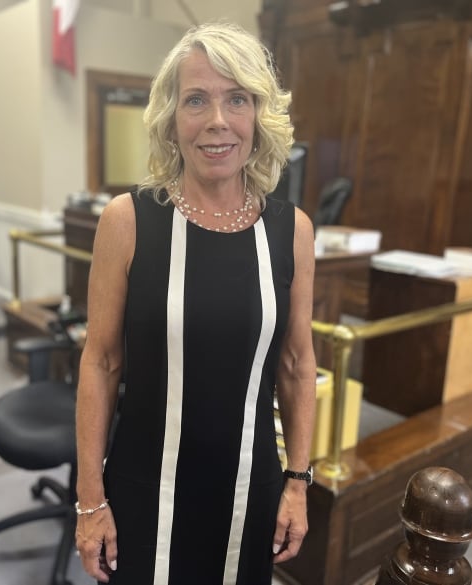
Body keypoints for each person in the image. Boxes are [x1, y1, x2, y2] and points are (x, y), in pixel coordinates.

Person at [74, 21, 317, 585]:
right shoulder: (128, 220)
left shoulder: (292, 231)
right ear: (171, 118)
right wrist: (90, 499)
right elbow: (101, 362)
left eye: (237, 99)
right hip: (143, 489)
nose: (217, 121)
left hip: (249, 492)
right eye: (196, 100)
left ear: (259, 115)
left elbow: (297, 364)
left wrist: (299, 482)